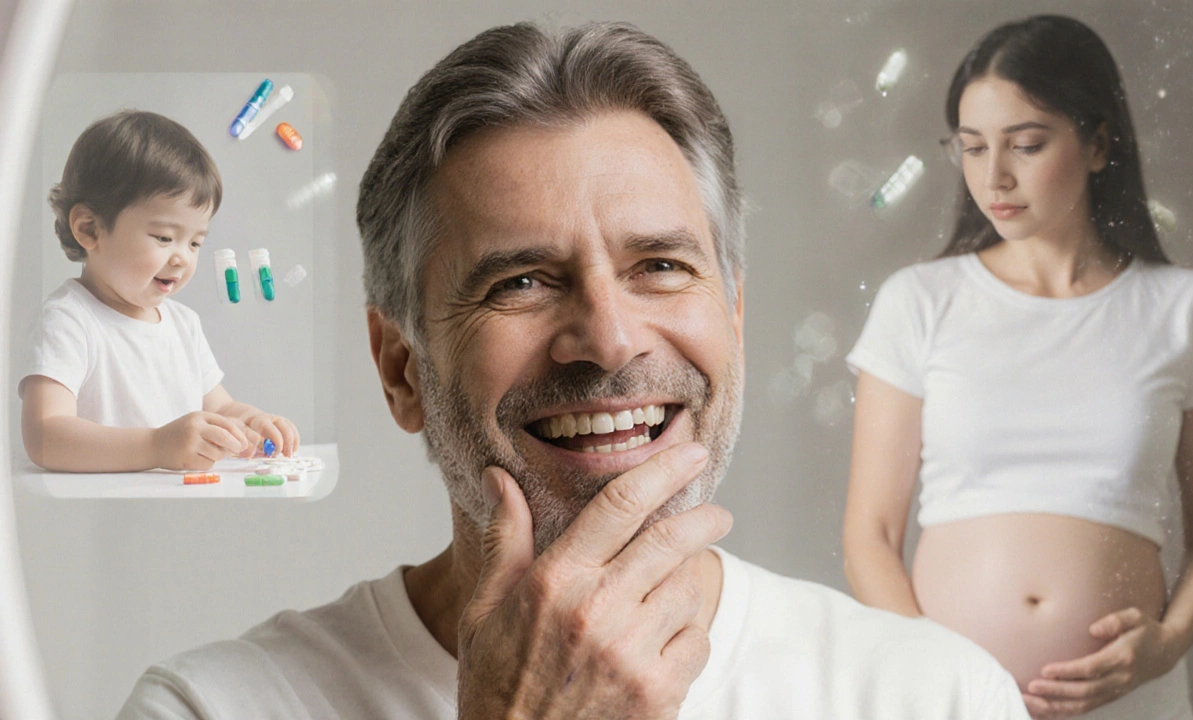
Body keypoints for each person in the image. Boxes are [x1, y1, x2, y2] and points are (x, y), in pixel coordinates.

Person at [116, 21, 1029, 719]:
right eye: (521, 281)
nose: (611, 338)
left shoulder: (937, 697)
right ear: (400, 367)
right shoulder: (210, 708)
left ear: (737, 319)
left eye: (662, 266)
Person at [842, 15, 1193, 720]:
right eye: (972, 148)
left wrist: (1168, 642)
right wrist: (936, 672)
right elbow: (869, 536)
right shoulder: (919, 302)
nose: (994, 177)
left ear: (1098, 144)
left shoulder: (1188, 312)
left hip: (1133, 699)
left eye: (1026, 145)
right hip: (947, 701)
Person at [19, 110, 300, 472]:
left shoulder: (184, 324)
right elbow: (44, 436)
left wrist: (250, 422)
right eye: (164, 238)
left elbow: (220, 408)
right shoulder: (69, 320)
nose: (182, 257)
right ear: (89, 229)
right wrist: (155, 446)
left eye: (196, 243)